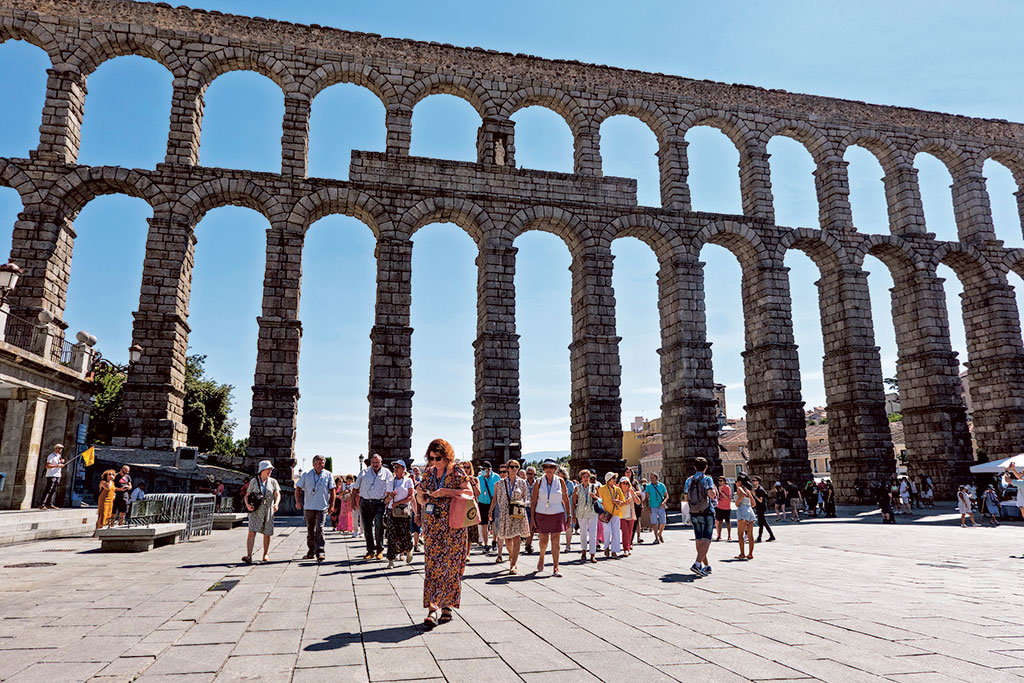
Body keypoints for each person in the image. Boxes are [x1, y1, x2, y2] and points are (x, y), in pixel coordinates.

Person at [414, 438, 471, 629]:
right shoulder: (428, 472)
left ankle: (447, 605)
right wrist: (420, 493)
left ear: (447, 456)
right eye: (430, 458)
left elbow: (469, 493)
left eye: (437, 458)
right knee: (433, 565)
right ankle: (432, 608)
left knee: (453, 565)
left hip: (454, 526)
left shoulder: (457, 471)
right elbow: (421, 501)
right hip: (433, 526)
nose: (434, 462)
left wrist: (446, 491)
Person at [530, 458, 570, 576]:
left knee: (556, 540)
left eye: (551, 467)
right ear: (543, 469)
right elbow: (533, 500)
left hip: (557, 513)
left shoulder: (560, 481)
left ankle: (556, 567)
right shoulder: (539, 482)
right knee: (543, 541)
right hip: (542, 513)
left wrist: (570, 515)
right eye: (546, 467)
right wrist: (532, 518)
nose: (549, 470)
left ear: (555, 469)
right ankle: (541, 557)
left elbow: (566, 499)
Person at [352, 453, 394, 560]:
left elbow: (391, 487)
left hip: (379, 503)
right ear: (370, 463)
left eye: (377, 462)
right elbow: (356, 488)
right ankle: (370, 550)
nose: (375, 464)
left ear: (381, 462)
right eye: (374, 462)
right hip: (365, 502)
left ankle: (380, 550)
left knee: (379, 526)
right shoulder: (364, 472)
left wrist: (388, 500)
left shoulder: (387, 473)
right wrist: (353, 501)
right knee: (367, 527)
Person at [491, 459, 530, 574]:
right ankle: (511, 555)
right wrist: (490, 511)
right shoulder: (500, 483)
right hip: (505, 514)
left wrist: (522, 504)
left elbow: (525, 498)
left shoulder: (522, 482)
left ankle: (513, 564)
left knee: (516, 537)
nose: (514, 469)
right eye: (512, 467)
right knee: (508, 540)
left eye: (516, 467)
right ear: (507, 468)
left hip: (517, 513)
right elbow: (496, 498)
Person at [294, 455, 335, 562]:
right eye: (318, 463)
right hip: (309, 507)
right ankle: (311, 551)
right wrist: (298, 501)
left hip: (322, 506)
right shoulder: (306, 475)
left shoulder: (328, 475)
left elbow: (333, 491)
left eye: (322, 463)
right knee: (310, 530)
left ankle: (321, 551)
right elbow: (297, 488)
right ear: (313, 464)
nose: (320, 465)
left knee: (320, 529)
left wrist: (332, 505)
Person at [243, 460, 281, 564]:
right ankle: (249, 555)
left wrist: (276, 503)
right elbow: (247, 496)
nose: (270, 471)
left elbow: (277, 494)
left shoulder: (273, 481)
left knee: (267, 533)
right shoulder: (254, 481)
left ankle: (265, 554)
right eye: (268, 469)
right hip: (256, 510)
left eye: (271, 469)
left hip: (268, 509)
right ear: (262, 470)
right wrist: (247, 505)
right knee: (252, 532)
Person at [685, 457, 717, 576]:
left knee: (698, 539)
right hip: (706, 511)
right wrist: (713, 491)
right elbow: (711, 495)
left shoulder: (689, 480)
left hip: (694, 512)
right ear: (706, 467)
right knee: (707, 539)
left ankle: (706, 566)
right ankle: (697, 564)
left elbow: (686, 498)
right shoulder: (707, 479)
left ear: (694, 467)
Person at [385, 460, 415, 568]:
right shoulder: (390, 482)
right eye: (394, 467)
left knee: (405, 534)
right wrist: (391, 496)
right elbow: (386, 500)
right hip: (392, 512)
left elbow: (411, 496)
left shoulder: (408, 481)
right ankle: (391, 559)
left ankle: (409, 548)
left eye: (398, 467)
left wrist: (398, 502)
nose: (395, 469)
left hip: (404, 511)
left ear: (403, 468)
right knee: (391, 535)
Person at [573, 469, 600, 563]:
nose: (586, 478)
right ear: (581, 478)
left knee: (593, 533)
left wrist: (595, 497)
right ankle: (583, 551)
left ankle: (593, 554)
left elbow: (600, 500)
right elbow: (574, 502)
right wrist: (573, 515)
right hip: (581, 513)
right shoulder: (577, 488)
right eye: (584, 477)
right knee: (583, 533)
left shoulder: (594, 487)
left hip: (592, 512)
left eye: (587, 476)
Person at [597, 472, 625, 558]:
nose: (615, 480)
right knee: (607, 531)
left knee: (616, 532)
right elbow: (599, 500)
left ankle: (614, 551)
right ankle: (606, 547)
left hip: (616, 513)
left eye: (615, 478)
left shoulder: (618, 489)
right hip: (606, 514)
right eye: (613, 478)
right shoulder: (602, 489)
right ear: (608, 480)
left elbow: (623, 501)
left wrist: (618, 502)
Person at [476, 461, 500, 554]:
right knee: (484, 524)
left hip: (494, 502)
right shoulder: (478, 478)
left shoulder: (496, 477)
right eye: (481, 469)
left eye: (483, 469)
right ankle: (486, 544)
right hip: (482, 503)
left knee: (494, 523)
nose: (482, 471)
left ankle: (494, 541)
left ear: (489, 469)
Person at [461, 461, 481, 559]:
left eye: (468, 467)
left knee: (470, 531)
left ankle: (467, 553)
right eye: (464, 467)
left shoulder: (475, 479)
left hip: (471, 507)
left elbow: (478, 493)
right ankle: (461, 552)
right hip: (460, 507)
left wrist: (472, 482)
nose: (466, 469)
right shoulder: (458, 479)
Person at [617, 475, 642, 557]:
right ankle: (626, 549)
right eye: (623, 483)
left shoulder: (631, 492)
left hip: (631, 515)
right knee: (625, 532)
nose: (625, 485)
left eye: (627, 483)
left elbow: (638, 502)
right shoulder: (618, 492)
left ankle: (628, 547)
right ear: (620, 484)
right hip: (622, 515)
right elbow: (617, 504)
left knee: (630, 533)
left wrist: (634, 494)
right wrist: (625, 502)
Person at [733, 475, 756, 560]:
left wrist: (738, 502)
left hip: (742, 511)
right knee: (750, 534)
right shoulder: (748, 490)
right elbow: (753, 504)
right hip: (750, 510)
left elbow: (743, 494)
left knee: (740, 534)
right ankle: (750, 554)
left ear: (739, 482)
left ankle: (742, 553)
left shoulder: (739, 488)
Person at [39, 443, 65, 510]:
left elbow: (59, 463)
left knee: (54, 489)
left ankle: (49, 503)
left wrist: (61, 462)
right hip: (51, 474)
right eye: (59, 448)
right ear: (55, 448)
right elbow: (47, 466)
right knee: (49, 489)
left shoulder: (59, 456)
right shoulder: (51, 456)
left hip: (58, 474)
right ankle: (42, 504)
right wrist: (57, 466)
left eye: (61, 448)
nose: (60, 450)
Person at [644, 473, 668, 544]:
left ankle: (660, 533)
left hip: (661, 506)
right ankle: (656, 538)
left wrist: (664, 502)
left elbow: (666, 496)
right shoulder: (648, 486)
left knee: (663, 522)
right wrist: (647, 507)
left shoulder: (662, 485)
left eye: (653, 478)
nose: (651, 479)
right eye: (650, 478)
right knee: (654, 523)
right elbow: (646, 498)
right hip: (652, 506)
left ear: (656, 478)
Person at [751, 476, 775, 543]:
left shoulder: (760, 489)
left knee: (762, 522)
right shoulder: (757, 489)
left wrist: (754, 495)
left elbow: (760, 500)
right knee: (762, 522)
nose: (753, 482)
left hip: (761, 508)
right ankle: (765, 536)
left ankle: (761, 537)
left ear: (758, 481)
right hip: (759, 508)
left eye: (754, 480)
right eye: (752, 480)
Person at [558, 467, 576, 553]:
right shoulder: (555, 483)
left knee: (569, 527)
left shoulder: (570, 484)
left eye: (559, 472)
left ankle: (568, 545)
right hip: (558, 507)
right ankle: (556, 545)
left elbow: (573, 495)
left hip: (568, 507)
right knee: (557, 527)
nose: (558, 474)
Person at [522, 466, 537, 554]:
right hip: (525, 506)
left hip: (535, 507)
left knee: (532, 525)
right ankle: (528, 543)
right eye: (528, 474)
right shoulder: (523, 483)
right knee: (526, 526)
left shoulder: (538, 483)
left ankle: (528, 543)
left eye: (531, 474)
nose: (530, 476)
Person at [714, 476, 732, 541]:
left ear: (724, 481)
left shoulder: (727, 488)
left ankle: (729, 535)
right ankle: (719, 535)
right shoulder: (719, 488)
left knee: (728, 522)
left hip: (727, 507)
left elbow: (728, 497)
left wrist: (721, 491)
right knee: (720, 522)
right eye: (719, 481)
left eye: (721, 481)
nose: (720, 482)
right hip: (720, 506)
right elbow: (718, 497)